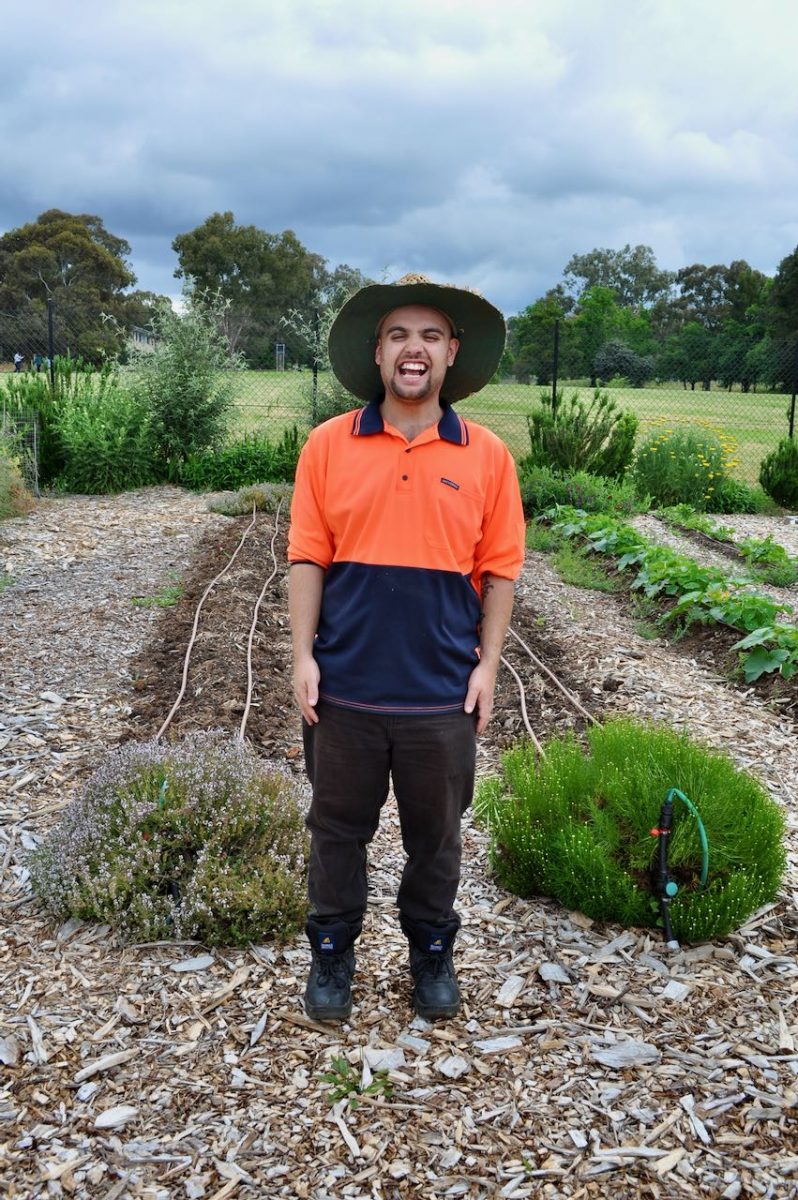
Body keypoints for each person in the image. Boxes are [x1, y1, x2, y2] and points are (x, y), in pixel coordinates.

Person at [287, 274, 525, 1023]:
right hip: (346, 689)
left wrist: (486, 667)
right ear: (378, 353)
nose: (412, 349)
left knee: (437, 840)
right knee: (336, 834)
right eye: (398, 335)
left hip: (440, 696)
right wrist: (302, 656)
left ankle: (431, 952)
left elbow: (501, 572)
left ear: (452, 354)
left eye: (428, 336)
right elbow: (305, 558)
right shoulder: (329, 445)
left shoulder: (487, 456)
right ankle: (331, 955)